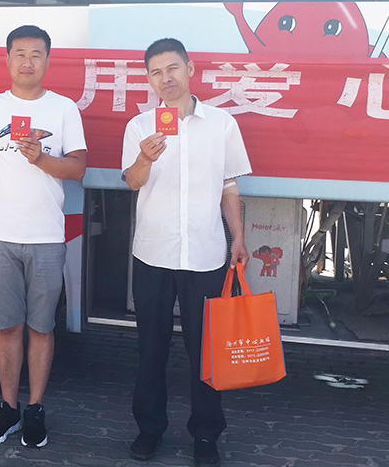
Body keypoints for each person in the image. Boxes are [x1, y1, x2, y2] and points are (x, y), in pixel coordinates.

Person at [121, 38, 251, 466]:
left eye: (173, 68)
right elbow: (133, 181)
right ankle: (149, 429)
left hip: (205, 253)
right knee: (151, 348)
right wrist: (145, 158)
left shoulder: (221, 124)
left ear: (190, 69)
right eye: (156, 72)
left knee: (206, 352)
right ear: (148, 79)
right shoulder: (140, 126)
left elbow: (229, 185)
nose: (166, 78)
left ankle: (207, 435)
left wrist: (238, 237)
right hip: (153, 253)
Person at [0, 25, 87, 448]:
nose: (27, 62)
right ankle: (8, 408)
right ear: (7, 59)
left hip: (47, 238)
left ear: (48, 60)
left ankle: (35, 408)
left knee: (41, 327)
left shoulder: (64, 109)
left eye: (36, 54)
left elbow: (78, 168)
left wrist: (42, 159)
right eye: (20, 53)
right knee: (7, 327)